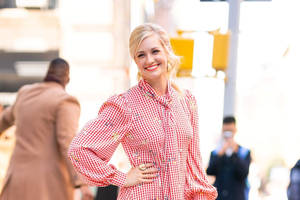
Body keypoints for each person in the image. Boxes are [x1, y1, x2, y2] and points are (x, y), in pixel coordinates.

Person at [68, 23, 217, 200]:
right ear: (135, 61)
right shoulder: (125, 105)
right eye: (141, 55)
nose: (149, 60)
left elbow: (194, 167)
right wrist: (122, 178)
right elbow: (78, 150)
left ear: (166, 51)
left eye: (155, 51)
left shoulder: (186, 102)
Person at [0, 58, 93, 200]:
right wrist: (82, 183)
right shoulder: (65, 101)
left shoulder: (25, 94)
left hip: (16, 183)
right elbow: (67, 142)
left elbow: (4, 121)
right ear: (67, 79)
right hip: (47, 188)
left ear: (47, 74)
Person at [206, 116, 251, 200]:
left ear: (235, 131)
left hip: (237, 196)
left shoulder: (244, 152)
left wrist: (235, 152)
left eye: (230, 131)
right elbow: (210, 171)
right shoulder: (216, 152)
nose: (228, 134)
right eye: (226, 131)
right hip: (219, 196)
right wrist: (220, 153)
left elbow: (244, 173)